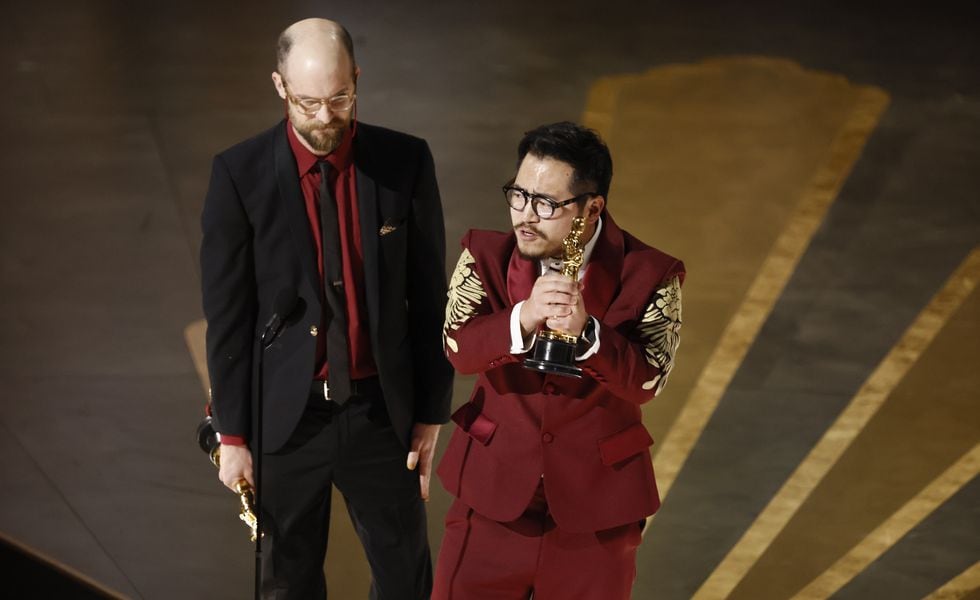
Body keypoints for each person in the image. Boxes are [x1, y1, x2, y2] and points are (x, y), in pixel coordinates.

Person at [199, 18, 453, 599]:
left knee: (405, 579)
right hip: (284, 422)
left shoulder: (405, 162)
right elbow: (228, 314)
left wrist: (431, 413)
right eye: (308, 102)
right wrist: (234, 435)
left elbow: (429, 295)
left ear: (357, 80)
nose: (323, 117)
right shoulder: (238, 174)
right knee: (285, 582)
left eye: (339, 99)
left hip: (379, 414)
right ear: (280, 86)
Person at [433, 122, 685, 599]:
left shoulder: (652, 274)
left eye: (547, 204)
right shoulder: (483, 254)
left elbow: (648, 381)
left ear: (593, 208)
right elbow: (458, 348)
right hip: (490, 496)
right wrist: (522, 318)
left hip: (597, 513)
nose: (525, 216)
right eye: (518, 195)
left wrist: (590, 335)